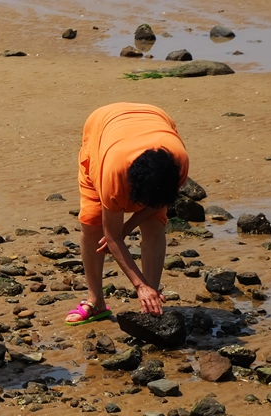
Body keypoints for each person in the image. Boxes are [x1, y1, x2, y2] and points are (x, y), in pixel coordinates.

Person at [68, 102, 189, 325]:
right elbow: (110, 235)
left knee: (155, 223)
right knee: (92, 222)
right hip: (102, 124)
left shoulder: (177, 164)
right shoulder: (112, 176)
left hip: (154, 117)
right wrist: (138, 284)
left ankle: (150, 301)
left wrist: (126, 228)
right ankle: (96, 302)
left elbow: (156, 204)